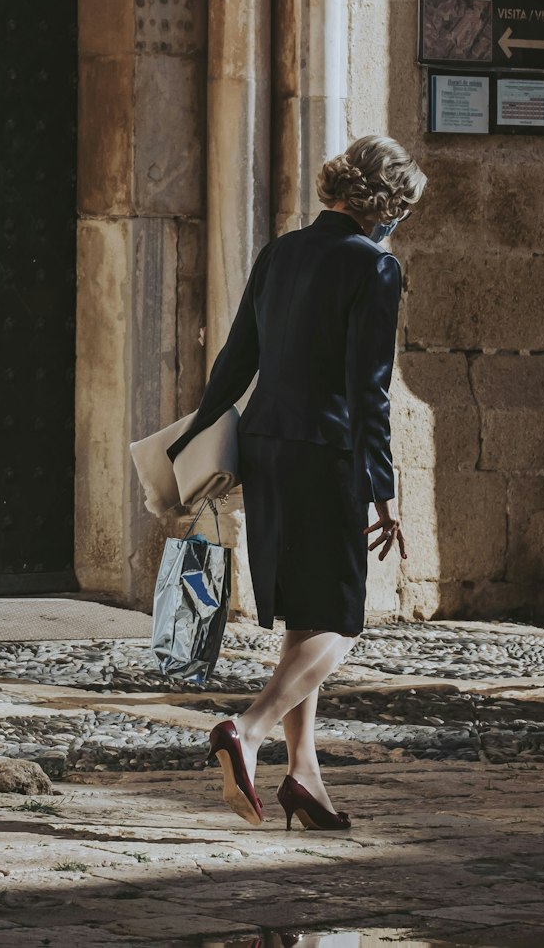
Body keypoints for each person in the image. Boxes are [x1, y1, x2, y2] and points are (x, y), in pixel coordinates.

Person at [167, 135, 427, 831]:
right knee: (342, 623)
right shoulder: (376, 267)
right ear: (387, 203)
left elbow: (234, 359)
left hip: (266, 448)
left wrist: (193, 442)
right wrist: (385, 486)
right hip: (329, 454)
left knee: (306, 613)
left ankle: (304, 775)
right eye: (401, 207)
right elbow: (367, 391)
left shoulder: (281, 251)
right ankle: (247, 729)